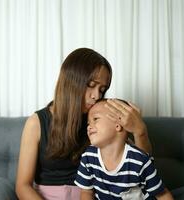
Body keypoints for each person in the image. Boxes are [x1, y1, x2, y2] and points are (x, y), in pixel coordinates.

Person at [15, 48, 152, 200]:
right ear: (71, 81)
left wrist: (140, 131)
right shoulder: (36, 123)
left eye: (102, 89)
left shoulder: (100, 120)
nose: (96, 96)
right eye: (91, 85)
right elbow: (23, 186)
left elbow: (142, 171)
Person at [74, 99, 174, 200]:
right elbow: (86, 191)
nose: (89, 127)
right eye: (88, 123)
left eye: (95, 119)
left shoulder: (139, 160)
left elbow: (162, 195)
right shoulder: (88, 157)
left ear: (118, 125)